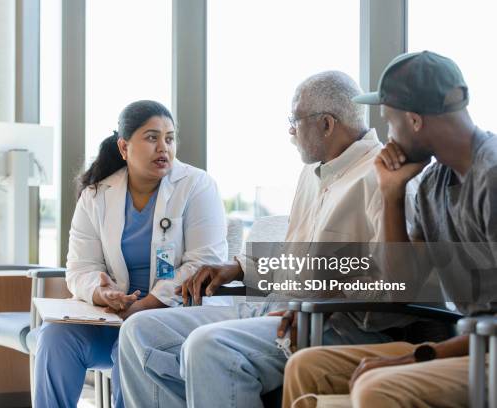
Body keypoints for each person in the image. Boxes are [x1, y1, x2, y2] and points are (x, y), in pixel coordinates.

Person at [118, 72, 444, 408]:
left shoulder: (384, 178)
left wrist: (322, 300)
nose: (290, 131)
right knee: (140, 331)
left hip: (336, 324)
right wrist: (236, 268)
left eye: (295, 120)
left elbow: (397, 283)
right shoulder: (313, 173)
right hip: (274, 307)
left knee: (209, 347)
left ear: (327, 125)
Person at [282, 51, 497, 408]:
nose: (386, 136)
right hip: (472, 345)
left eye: (390, 122)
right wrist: (391, 193)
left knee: (377, 388)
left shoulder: (490, 176)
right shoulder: (431, 185)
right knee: (307, 366)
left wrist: (419, 356)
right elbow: (401, 286)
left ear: (414, 121)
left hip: (485, 347)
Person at [33, 100, 228, 408]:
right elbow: (79, 268)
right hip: (111, 317)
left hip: (171, 317)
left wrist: (146, 305)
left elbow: (204, 262)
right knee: (56, 336)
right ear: (124, 147)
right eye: (151, 137)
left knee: (133, 341)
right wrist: (101, 293)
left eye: (169, 138)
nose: (163, 147)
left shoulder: (196, 185)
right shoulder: (96, 195)